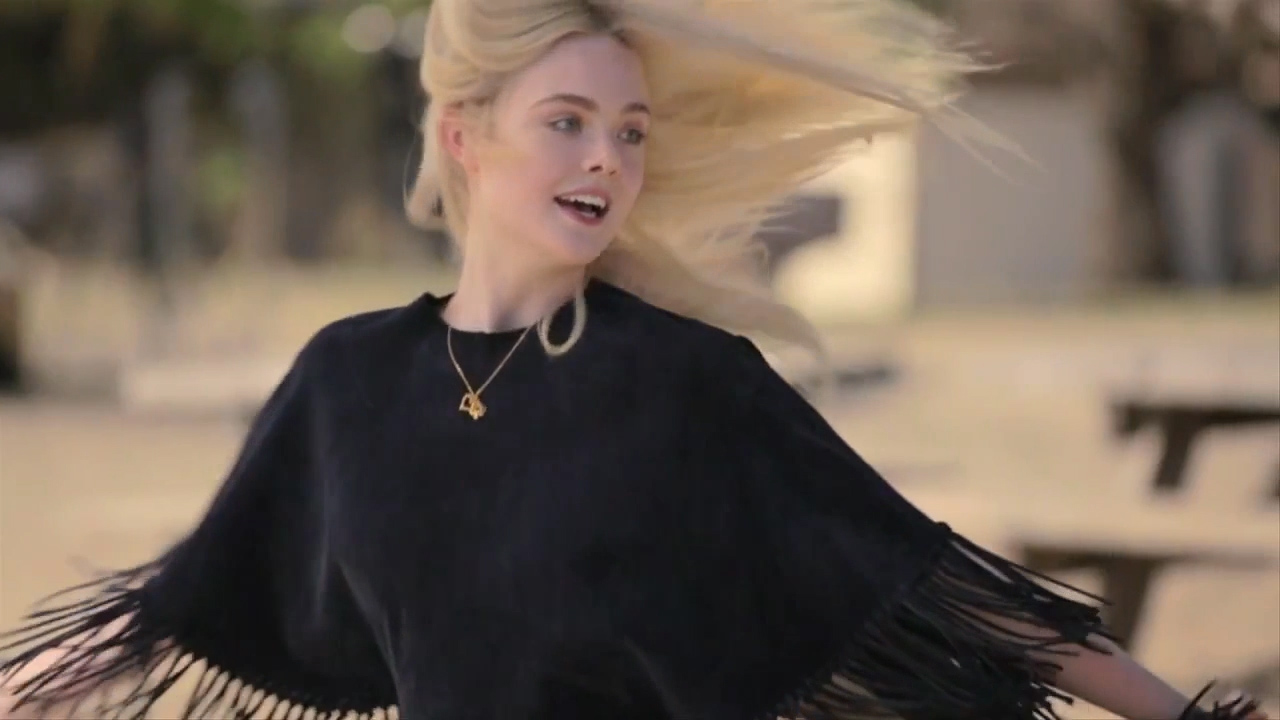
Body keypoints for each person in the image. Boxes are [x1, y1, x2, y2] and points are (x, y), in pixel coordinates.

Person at [0, 1, 1269, 718]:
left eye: (630, 130)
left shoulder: (686, 383)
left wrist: (1180, 717)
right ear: (466, 135)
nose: (606, 157)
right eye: (566, 122)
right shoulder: (347, 382)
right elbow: (186, 598)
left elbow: (919, 578)